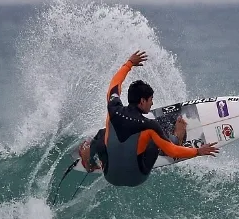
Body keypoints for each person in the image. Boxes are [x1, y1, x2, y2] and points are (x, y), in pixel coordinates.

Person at [78, 50, 219, 187]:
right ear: (142, 101)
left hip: (110, 176)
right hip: (137, 178)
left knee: (103, 134)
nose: (152, 103)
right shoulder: (149, 125)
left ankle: (88, 160)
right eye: (150, 99)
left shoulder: (112, 108)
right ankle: (178, 135)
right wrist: (198, 151)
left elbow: (114, 85)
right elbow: (172, 151)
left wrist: (129, 64)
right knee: (157, 142)